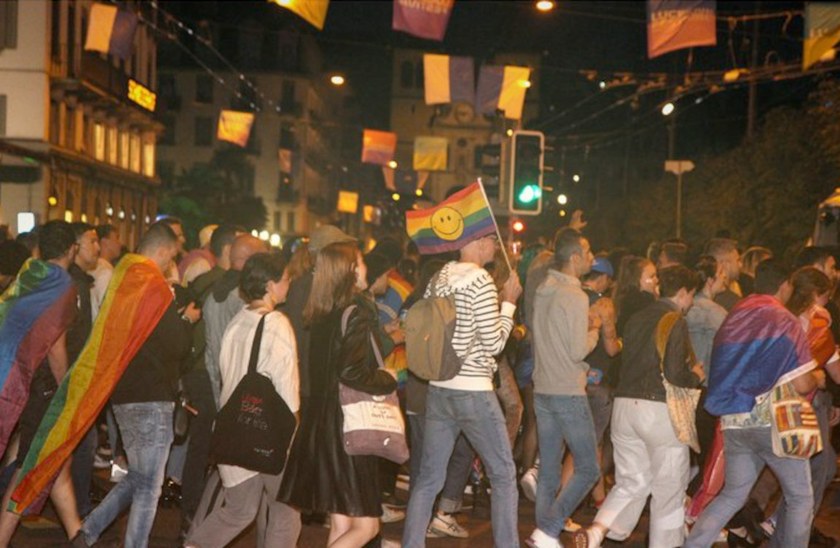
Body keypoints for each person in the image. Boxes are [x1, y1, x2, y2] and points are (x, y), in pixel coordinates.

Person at [73, 222, 199, 548]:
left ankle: (87, 532)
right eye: (171, 257)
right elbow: (175, 345)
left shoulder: (124, 277)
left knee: (139, 478)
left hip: (124, 394)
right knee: (149, 487)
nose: (171, 264)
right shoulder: (153, 285)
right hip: (152, 397)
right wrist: (186, 320)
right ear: (161, 251)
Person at [683, 259, 819, 548]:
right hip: (772, 422)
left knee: (732, 494)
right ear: (785, 286)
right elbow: (803, 382)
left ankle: (692, 545)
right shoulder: (784, 320)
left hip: (733, 421)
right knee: (800, 497)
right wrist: (818, 377)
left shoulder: (735, 316)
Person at [401, 233, 522, 548]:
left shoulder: (440, 276)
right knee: (504, 475)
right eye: (493, 240)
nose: (495, 246)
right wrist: (508, 303)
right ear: (480, 242)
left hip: (440, 388)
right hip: (473, 391)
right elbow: (494, 343)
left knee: (429, 478)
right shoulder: (480, 280)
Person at [575, 265, 705, 548]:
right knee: (668, 490)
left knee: (631, 482)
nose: (691, 303)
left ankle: (597, 530)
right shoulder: (674, 321)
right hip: (658, 411)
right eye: (691, 296)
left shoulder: (635, 318)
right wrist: (695, 374)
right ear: (682, 293)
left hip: (624, 407)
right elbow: (673, 373)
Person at [279, 241, 397, 547]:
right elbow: (353, 372)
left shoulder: (321, 312)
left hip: (322, 424)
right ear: (352, 269)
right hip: (347, 429)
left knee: (342, 524)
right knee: (367, 528)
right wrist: (386, 379)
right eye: (361, 262)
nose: (366, 268)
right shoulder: (356, 311)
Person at [185, 253, 301, 548]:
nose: (289, 284)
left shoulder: (238, 321)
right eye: (286, 279)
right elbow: (288, 390)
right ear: (271, 285)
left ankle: (195, 545)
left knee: (240, 509)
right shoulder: (277, 324)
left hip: (236, 429)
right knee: (285, 510)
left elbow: (225, 372)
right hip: (268, 432)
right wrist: (293, 435)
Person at [0, 221, 81, 544]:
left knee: (50, 461)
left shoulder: (30, 273)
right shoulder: (64, 286)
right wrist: (68, 389)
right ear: (72, 249)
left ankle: (78, 534)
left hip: (8, 367)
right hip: (16, 377)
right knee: (38, 458)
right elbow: (56, 345)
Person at [526, 227, 600, 548]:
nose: (593, 258)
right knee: (588, 468)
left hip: (542, 389)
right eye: (589, 253)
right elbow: (576, 350)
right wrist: (594, 330)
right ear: (575, 258)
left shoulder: (544, 288)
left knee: (550, 470)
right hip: (568, 391)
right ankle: (550, 528)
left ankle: (544, 533)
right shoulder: (575, 296)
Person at [705, 238, 742, 311]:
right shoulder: (733, 303)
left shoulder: (697, 295)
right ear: (725, 265)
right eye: (738, 260)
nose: (741, 265)